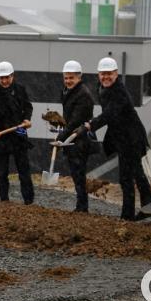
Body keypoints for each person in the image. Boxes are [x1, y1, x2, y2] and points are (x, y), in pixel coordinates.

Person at [84, 57, 151, 220]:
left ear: (116, 74)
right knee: (127, 177)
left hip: (132, 137)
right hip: (122, 138)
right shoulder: (100, 87)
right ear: (98, 75)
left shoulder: (119, 92)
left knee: (132, 174)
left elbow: (110, 113)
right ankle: (131, 212)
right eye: (103, 74)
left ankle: (142, 207)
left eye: (109, 74)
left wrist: (92, 124)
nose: (106, 77)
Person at [0, 61, 35, 205]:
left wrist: (27, 119)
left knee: (24, 171)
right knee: (2, 172)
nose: (5, 81)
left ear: (12, 76)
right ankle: (4, 200)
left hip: (19, 133)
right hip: (1, 136)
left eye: (7, 77)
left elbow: (28, 106)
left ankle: (28, 201)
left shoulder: (20, 89)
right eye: (1, 78)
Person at [56, 60, 95, 212]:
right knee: (76, 173)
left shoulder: (83, 95)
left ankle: (82, 207)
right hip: (72, 138)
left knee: (79, 173)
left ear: (79, 77)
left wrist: (61, 136)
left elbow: (75, 121)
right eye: (66, 78)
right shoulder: (67, 91)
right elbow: (69, 119)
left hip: (80, 140)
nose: (68, 81)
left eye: (71, 78)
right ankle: (81, 205)